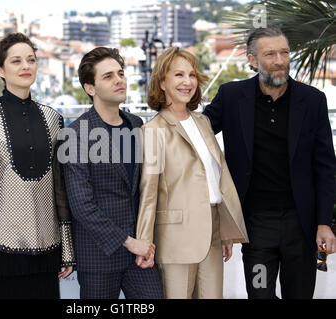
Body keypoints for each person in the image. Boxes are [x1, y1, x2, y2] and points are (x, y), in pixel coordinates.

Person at [203, 26, 336, 299]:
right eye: (270, 54)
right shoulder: (230, 96)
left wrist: (325, 223)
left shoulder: (313, 100)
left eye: (284, 52)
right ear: (252, 60)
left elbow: (326, 167)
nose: (279, 60)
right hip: (256, 226)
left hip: (301, 226)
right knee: (260, 292)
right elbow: (196, 134)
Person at [0, 33, 74, 299]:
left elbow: (60, 188)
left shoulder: (53, 119)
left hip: (48, 248)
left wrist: (67, 249)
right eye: (16, 61)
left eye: (31, 60)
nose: (26, 66)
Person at [136, 47, 248, 299]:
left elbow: (214, 179)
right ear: (162, 82)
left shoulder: (204, 122)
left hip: (213, 233)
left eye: (192, 75)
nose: (187, 82)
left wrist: (225, 231)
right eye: (178, 75)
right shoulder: (153, 130)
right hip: (176, 240)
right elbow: (148, 194)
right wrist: (144, 242)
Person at [62, 47, 163, 299]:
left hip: (140, 254)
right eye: (108, 76)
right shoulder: (76, 134)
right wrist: (129, 241)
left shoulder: (136, 124)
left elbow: (143, 190)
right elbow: (82, 205)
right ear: (90, 88)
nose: (119, 80)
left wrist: (144, 241)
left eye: (120, 73)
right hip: (99, 255)